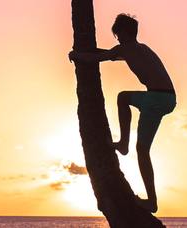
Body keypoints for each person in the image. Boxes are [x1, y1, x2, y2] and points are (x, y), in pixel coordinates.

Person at [68, 13, 176, 213]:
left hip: (156, 99)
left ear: (124, 33)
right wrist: (86, 52)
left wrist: (76, 55)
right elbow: (108, 54)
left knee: (123, 98)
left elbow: (99, 57)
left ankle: (124, 145)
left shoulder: (125, 48)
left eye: (117, 34)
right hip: (166, 98)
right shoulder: (140, 49)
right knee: (143, 149)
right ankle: (150, 198)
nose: (117, 38)